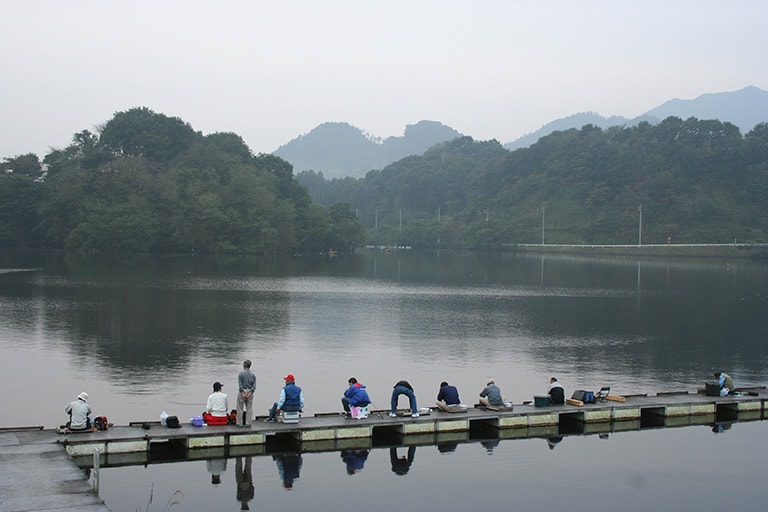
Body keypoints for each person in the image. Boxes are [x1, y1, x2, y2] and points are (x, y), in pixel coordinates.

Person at [237, 359, 257, 427]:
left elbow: (240, 384)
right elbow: (254, 386)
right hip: (250, 392)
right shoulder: (253, 375)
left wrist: (242, 392)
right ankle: (248, 423)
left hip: (242, 391)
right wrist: (250, 392)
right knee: (249, 408)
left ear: (244, 366)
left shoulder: (241, 374)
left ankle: (240, 423)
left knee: (240, 407)